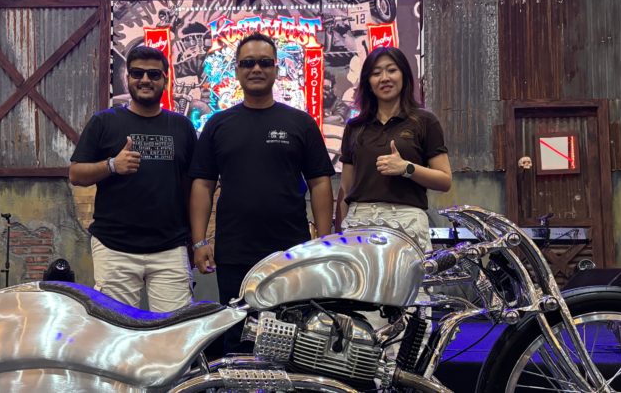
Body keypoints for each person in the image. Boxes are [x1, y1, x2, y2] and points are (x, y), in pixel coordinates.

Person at [189, 32, 335, 345]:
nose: (256, 69)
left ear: (276, 69)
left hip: (291, 252)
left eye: (265, 62)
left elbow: (320, 181)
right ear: (237, 70)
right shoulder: (218, 125)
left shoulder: (301, 123)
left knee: (293, 338)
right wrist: (199, 241)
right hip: (235, 252)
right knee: (237, 337)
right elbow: (202, 183)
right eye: (248, 63)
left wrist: (324, 241)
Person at [69, 45, 197, 312]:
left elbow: (192, 187)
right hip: (115, 247)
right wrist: (112, 165)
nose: (145, 80)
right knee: (118, 329)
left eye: (154, 74)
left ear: (165, 80)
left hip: (170, 248)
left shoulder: (181, 126)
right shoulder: (104, 122)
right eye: (137, 73)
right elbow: (76, 174)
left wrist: (196, 241)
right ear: (127, 78)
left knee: (175, 328)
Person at [335, 46, 452, 251]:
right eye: (376, 73)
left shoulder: (424, 121)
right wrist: (338, 238)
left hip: (407, 222)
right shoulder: (355, 127)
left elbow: (445, 180)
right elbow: (346, 189)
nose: (384, 78)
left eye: (391, 70)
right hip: (359, 223)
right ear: (368, 82)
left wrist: (407, 168)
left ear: (404, 75)